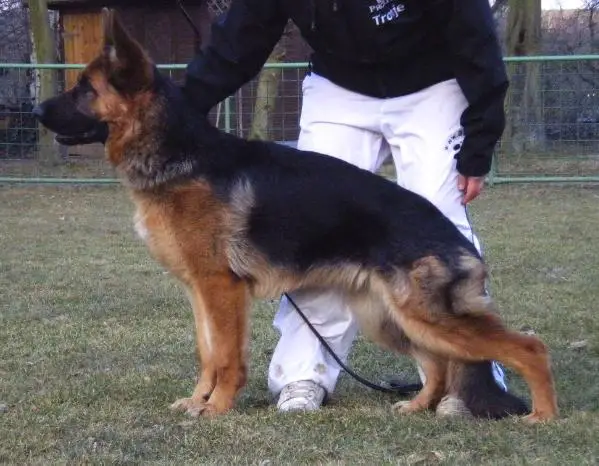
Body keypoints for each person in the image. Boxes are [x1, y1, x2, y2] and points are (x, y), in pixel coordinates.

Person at [183, 0, 510, 414]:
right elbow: (238, 41)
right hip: (339, 87)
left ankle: (474, 375)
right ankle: (303, 374)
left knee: (440, 221)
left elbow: (473, 31)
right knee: (309, 228)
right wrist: (181, 107)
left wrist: (480, 139)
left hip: (433, 82)